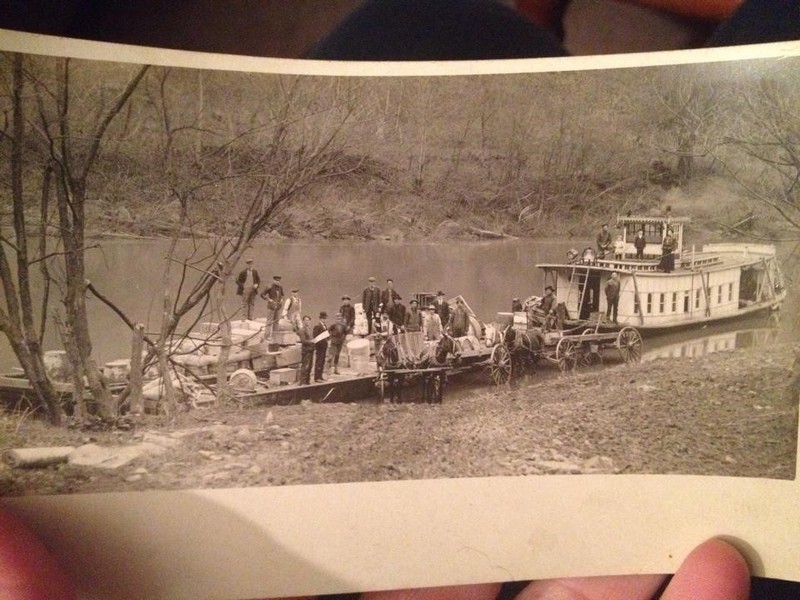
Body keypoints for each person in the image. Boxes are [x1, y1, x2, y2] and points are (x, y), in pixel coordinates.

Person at [260, 274, 284, 340]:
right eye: (276, 280)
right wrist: (268, 299)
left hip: (278, 307)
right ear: (273, 280)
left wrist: (281, 299)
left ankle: (275, 336)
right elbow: (262, 294)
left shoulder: (280, 287)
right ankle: (266, 336)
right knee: (269, 321)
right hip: (271, 307)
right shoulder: (269, 287)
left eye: (279, 280)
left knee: (276, 321)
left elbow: (282, 295)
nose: (278, 282)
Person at [297, 314, 314, 385]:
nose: (307, 322)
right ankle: (302, 382)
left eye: (308, 320)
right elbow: (303, 341)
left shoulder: (309, 329)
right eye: (306, 320)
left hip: (311, 349)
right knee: (305, 366)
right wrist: (311, 341)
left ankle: (307, 381)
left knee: (310, 366)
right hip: (306, 350)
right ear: (303, 321)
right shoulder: (302, 330)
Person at [312, 312, 329, 382]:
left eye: (325, 318)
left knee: (322, 362)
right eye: (323, 318)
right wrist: (317, 346)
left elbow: (327, 336)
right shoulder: (317, 326)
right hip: (320, 347)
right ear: (320, 318)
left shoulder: (324, 326)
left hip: (324, 346)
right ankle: (317, 377)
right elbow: (315, 337)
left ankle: (320, 376)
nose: (324, 320)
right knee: (319, 361)